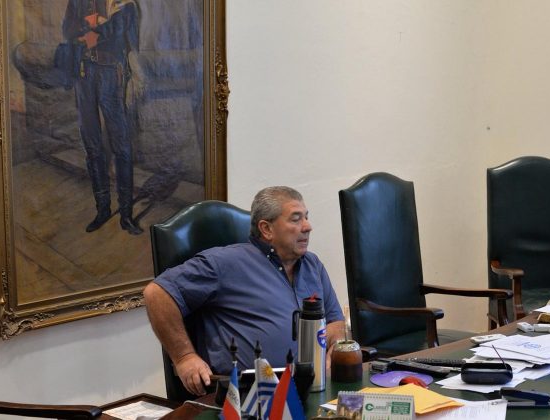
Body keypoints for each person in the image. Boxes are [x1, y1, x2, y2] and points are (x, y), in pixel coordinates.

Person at [143, 187, 346, 396]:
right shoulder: (224, 264)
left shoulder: (312, 265)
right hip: (249, 397)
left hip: (313, 390)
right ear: (266, 229)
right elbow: (157, 293)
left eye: (306, 217)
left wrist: (335, 344)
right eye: (296, 219)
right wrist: (184, 357)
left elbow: (335, 321)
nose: (307, 227)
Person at [62, 0, 143, 234]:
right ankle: (103, 209)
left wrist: (86, 35)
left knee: (122, 146)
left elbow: (116, 30)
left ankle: (126, 215)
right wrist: (94, 21)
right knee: (92, 144)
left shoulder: (124, 3)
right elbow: (67, 30)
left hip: (111, 73)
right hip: (83, 74)